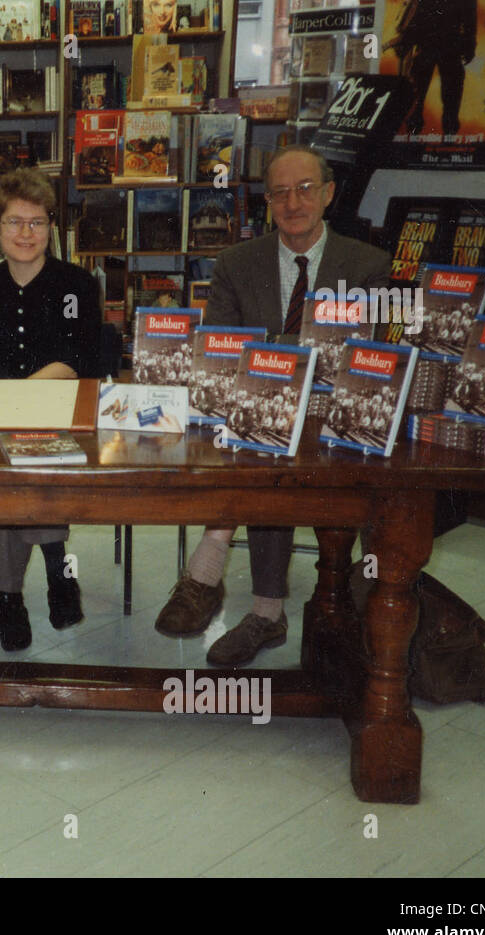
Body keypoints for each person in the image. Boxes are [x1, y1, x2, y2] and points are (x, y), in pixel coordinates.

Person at [154, 145, 391, 666]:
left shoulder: (369, 265)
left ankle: (209, 576)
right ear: (268, 202)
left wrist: (281, 361)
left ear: (328, 194)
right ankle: (265, 608)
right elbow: (220, 347)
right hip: (260, 407)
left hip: (335, 413)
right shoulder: (237, 263)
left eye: (305, 188)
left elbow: (369, 355)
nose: (293, 202)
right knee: (262, 442)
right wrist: (278, 372)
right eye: (280, 192)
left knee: (271, 444)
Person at [0, 169, 102, 651]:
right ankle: (56, 565)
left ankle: (7, 594)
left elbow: (85, 355)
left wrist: (25, 394)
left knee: (27, 461)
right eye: (14, 222)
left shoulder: (76, 285)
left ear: (53, 227)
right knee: (18, 457)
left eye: (37, 222)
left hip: (58, 410)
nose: (26, 233)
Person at [388, 0, 476, 136]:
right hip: (437, 44)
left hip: (443, 44)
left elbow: (470, 18)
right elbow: (418, 16)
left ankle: (445, 132)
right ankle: (423, 129)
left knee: (444, 94)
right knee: (421, 94)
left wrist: (469, 44)